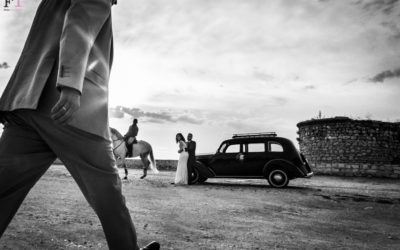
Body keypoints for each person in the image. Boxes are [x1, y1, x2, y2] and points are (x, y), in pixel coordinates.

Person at [0, 1, 159, 249]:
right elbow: (80, 22)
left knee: (3, 188)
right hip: (72, 109)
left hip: (27, 102)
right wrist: (71, 85)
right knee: (108, 192)